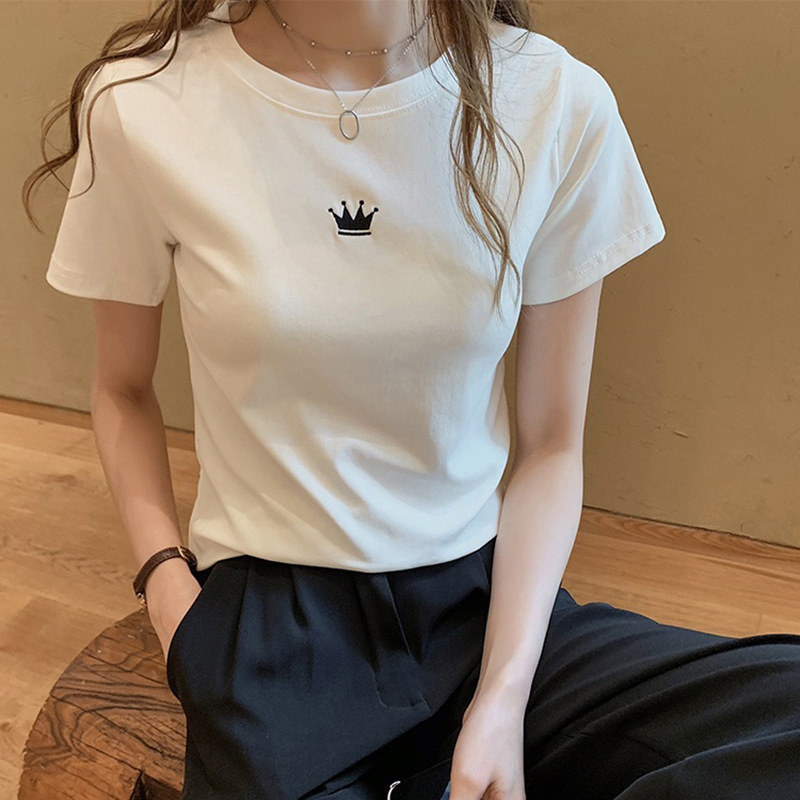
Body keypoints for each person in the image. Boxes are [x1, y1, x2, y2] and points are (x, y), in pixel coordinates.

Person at [29, 0, 800, 798]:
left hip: (483, 604)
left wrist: (502, 698)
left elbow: (551, 445)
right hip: (274, 625)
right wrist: (169, 594)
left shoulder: (554, 99)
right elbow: (122, 390)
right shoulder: (145, 101)